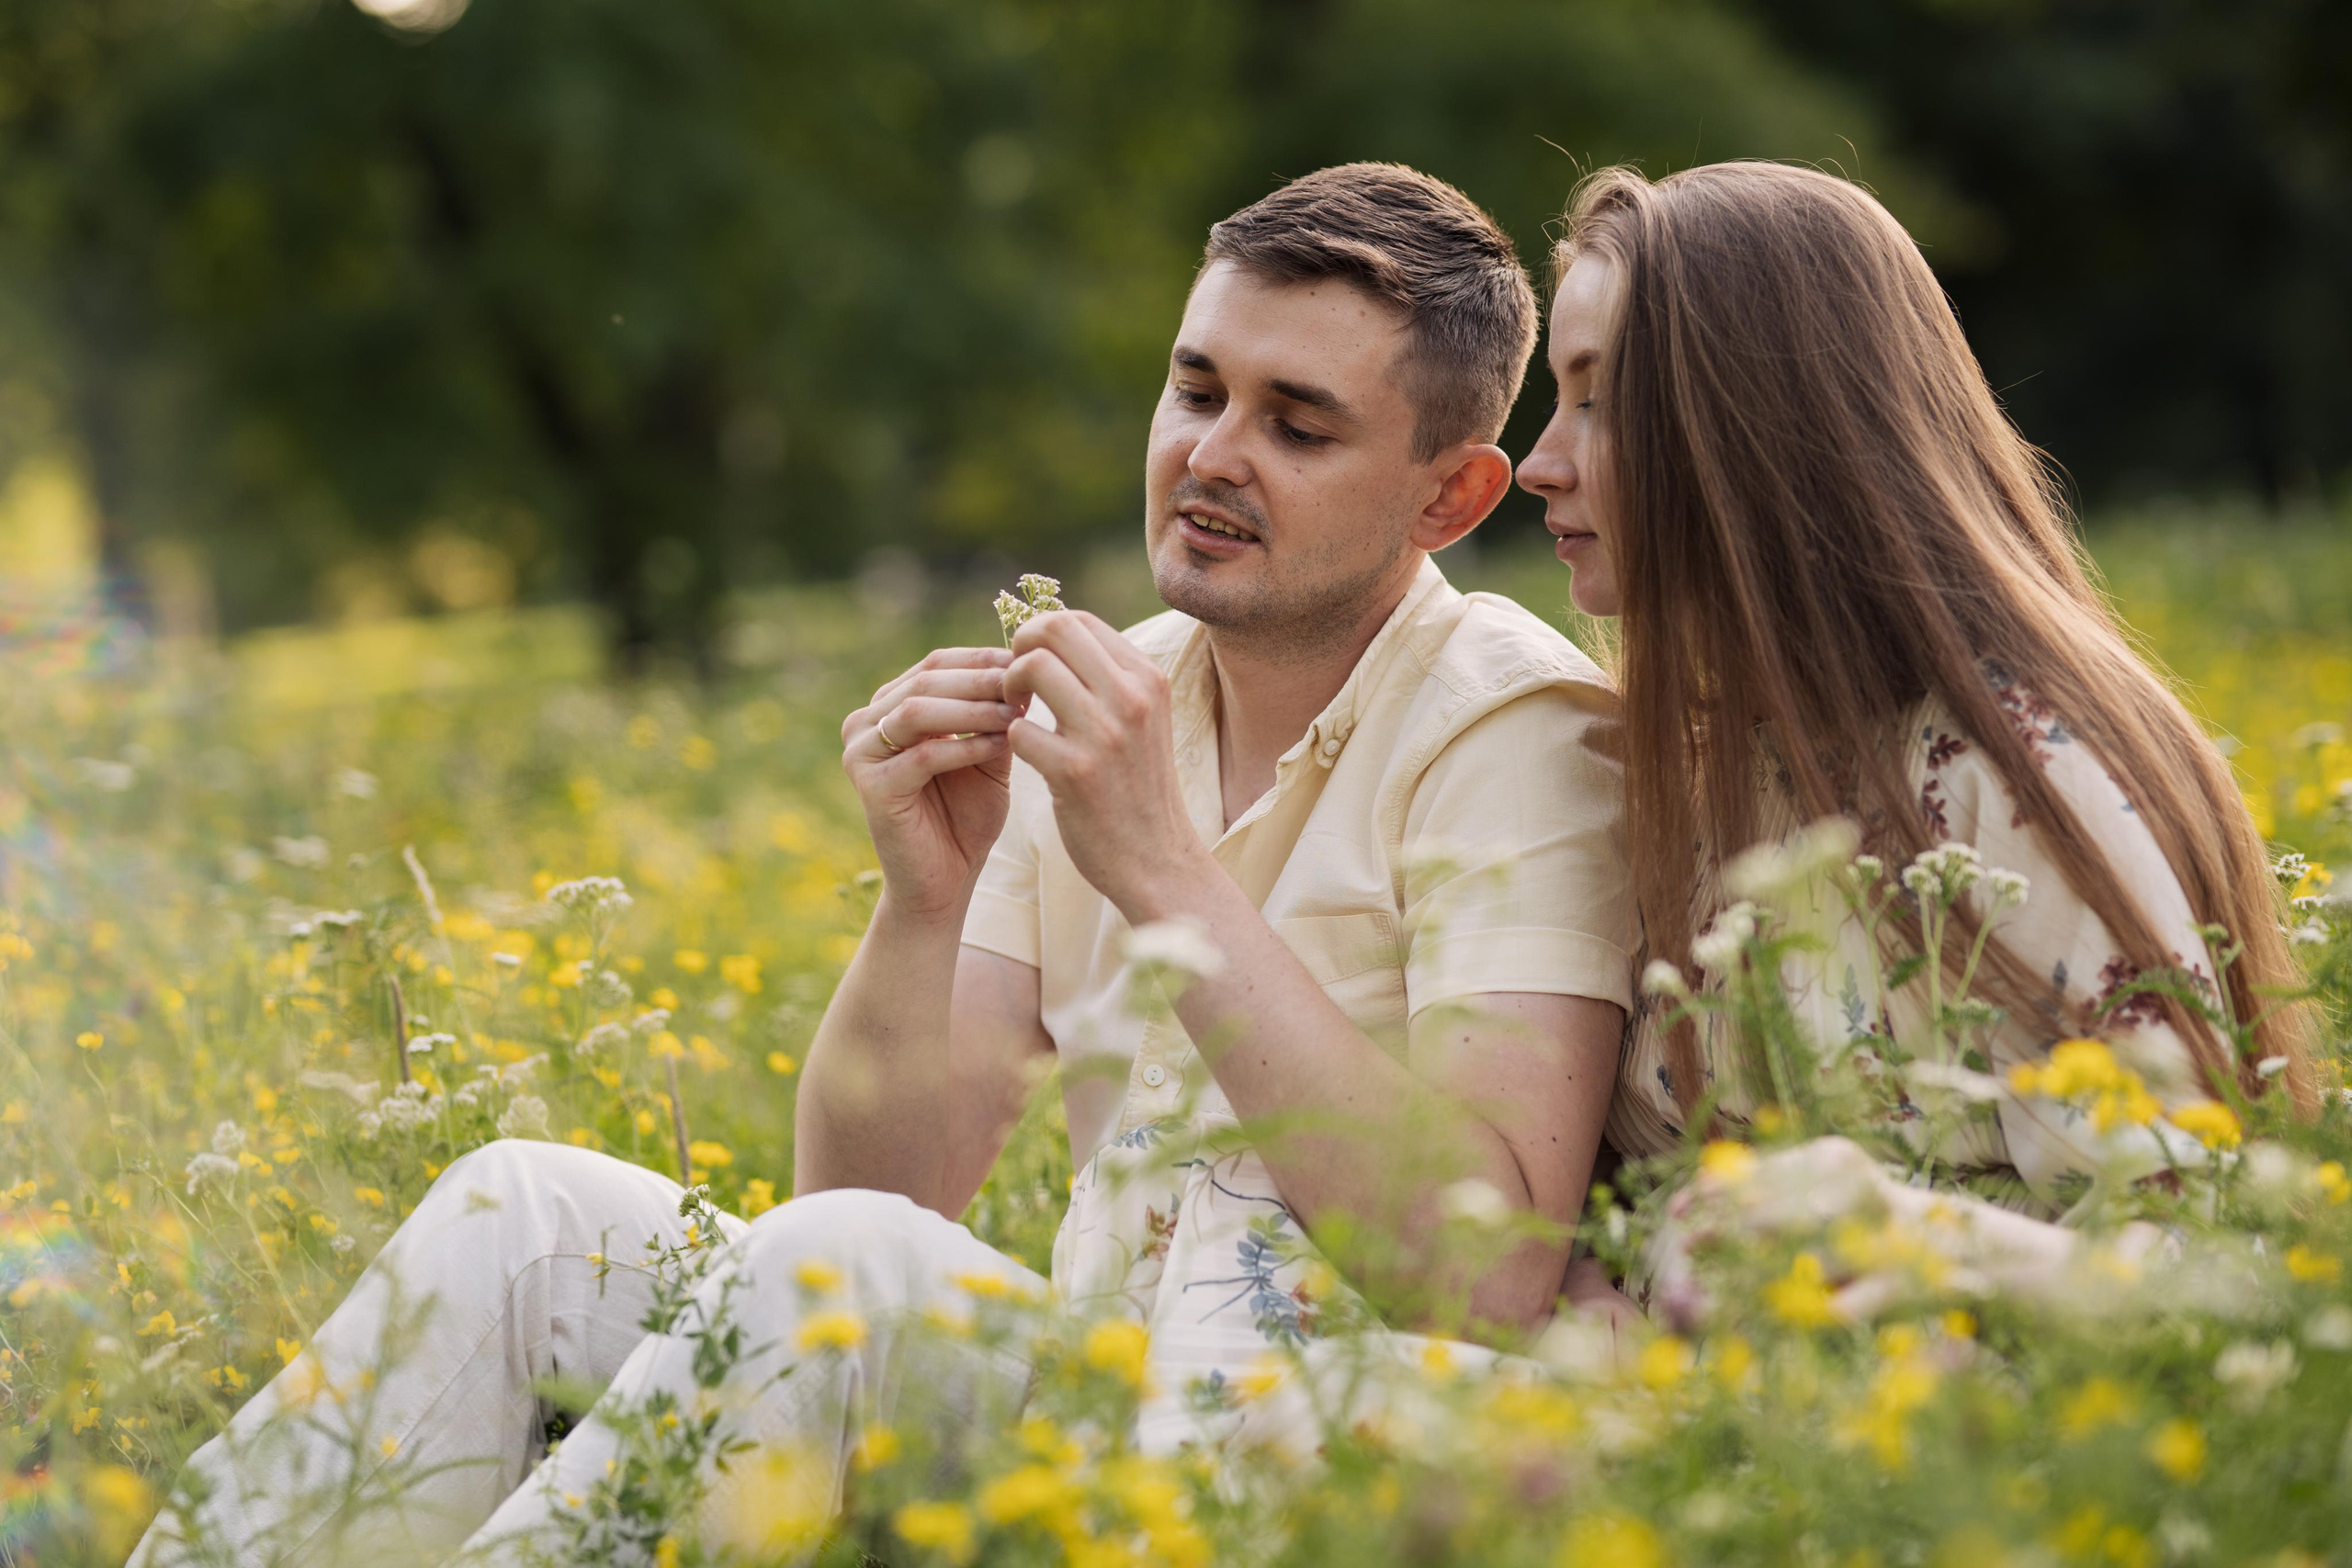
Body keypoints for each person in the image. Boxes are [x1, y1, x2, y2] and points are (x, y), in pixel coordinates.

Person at [131, 163, 1637, 1568]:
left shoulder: (1512, 730)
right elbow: (853, 1217)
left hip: (1301, 1455)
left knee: (838, 1269)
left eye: (1297, 427)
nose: (1210, 454)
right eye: (1196, 390)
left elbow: (1491, 1266)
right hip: (1090, 1386)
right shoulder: (1130, 694)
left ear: (1449, 497)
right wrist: (927, 891)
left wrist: (1169, 875)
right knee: (521, 1209)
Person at [1514, 162, 2314, 1243]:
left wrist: (1893, 1232)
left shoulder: (2008, 779)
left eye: (1600, 400)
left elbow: (2205, 1262)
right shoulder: (1685, 762)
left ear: (1757, 424)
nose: (1536, 464)